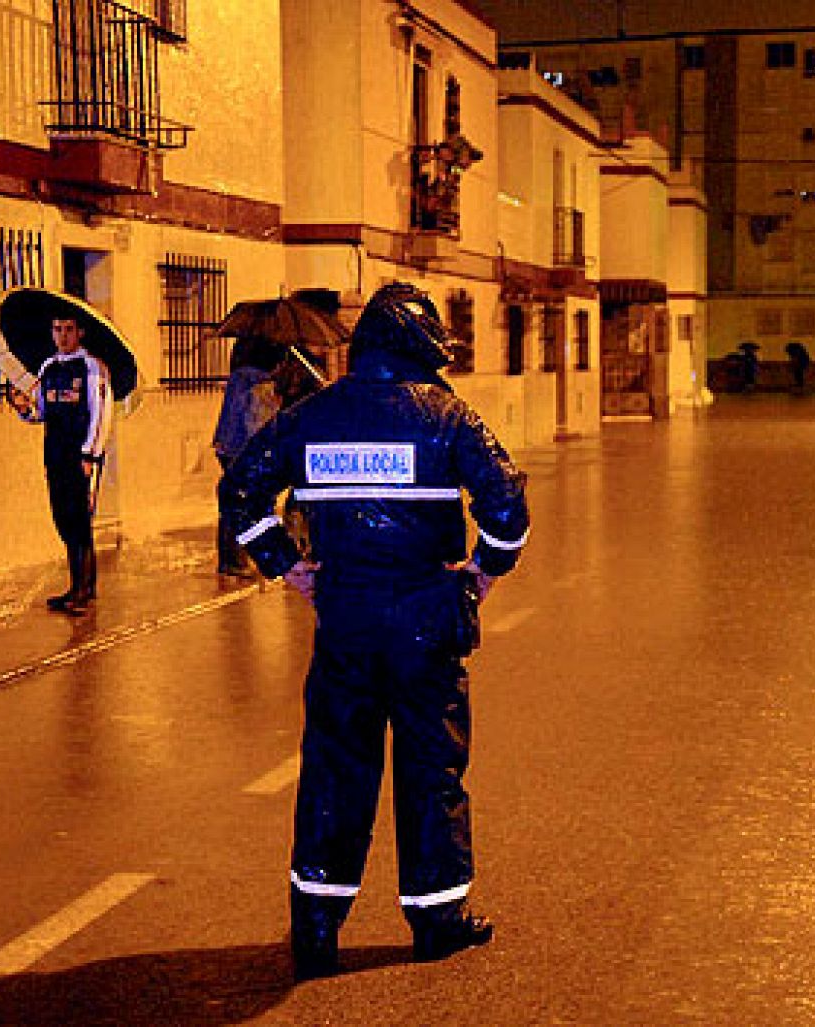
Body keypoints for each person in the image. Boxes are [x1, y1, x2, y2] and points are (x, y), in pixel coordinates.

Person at [219, 282, 530, 981]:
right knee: (433, 769)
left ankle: (317, 929)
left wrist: (288, 566)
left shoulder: (310, 416)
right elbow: (508, 504)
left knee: (335, 767)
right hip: (428, 623)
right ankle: (437, 920)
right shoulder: (449, 418)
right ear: (420, 347)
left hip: (346, 620)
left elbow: (239, 489)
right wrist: (481, 572)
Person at [10, 314, 113, 615]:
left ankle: (82, 589)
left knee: (80, 519)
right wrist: (24, 409)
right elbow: (42, 412)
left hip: (80, 455)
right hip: (55, 453)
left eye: (69, 329)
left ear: (80, 332)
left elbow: (101, 414)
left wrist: (90, 455)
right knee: (64, 518)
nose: (63, 336)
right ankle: (80, 585)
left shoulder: (93, 367)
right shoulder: (48, 367)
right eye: (57, 329)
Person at [212, 337, 283, 576]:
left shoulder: (238, 377)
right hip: (242, 448)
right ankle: (236, 561)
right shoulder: (259, 382)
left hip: (226, 444)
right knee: (245, 503)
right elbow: (256, 422)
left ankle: (229, 560)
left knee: (231, 500)